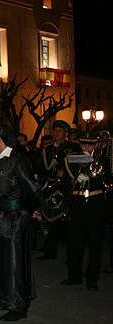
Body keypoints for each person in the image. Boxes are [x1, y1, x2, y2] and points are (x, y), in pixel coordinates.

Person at [0, 124, 39, 321]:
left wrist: (31, 209)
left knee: (16, 261)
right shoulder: (0, 160)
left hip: (16, 218)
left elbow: (31, 186)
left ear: (1, 138)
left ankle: (18, 305)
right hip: (2, 218)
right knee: (2, 258)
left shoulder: (17, 159)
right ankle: (4, 299)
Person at [60, 131, 110, 291]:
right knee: (75, 243)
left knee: (95, 245)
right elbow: (66, 184)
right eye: (83, 144)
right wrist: (76, 180)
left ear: (96, 144)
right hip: (78, 205)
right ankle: (74, 276)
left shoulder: (103, 160)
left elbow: (108, 181)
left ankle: (92, 279)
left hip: (95, 205)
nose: (86, 147)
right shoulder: (72, 159)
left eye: (90, 144)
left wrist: (97, 178)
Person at [38, 120, 80, 260]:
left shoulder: (74, 147)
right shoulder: (48, 149)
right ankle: (51, 249)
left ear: (66, 133)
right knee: (51, 219)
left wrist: (66, 175)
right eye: (55, 130)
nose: (57, 133)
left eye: (60, 131)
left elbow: (77, 166)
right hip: (51, 186)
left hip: (66, 186)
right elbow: (44, 169)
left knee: (67, 219)